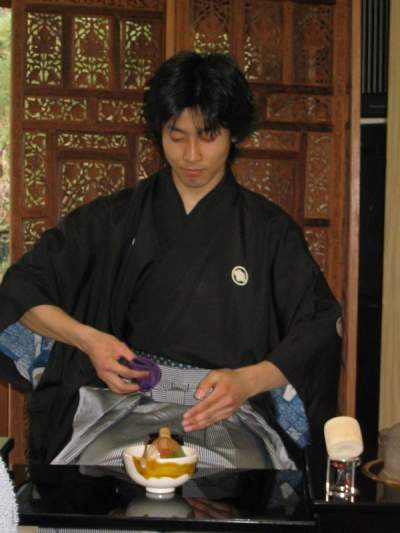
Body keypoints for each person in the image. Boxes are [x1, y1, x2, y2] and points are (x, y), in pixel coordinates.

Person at [0, 51, 341, 466]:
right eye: (176, 136)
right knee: (101, 487)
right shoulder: (114, 218)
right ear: (158, 133)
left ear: (233, 134)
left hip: (229, 415)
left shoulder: (268, 231)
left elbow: (320, 327)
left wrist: (247, 381)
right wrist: (90, 341)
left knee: (231, 490)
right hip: (119, 410)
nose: (192, 155)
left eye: (208, 135)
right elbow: (21, 289)